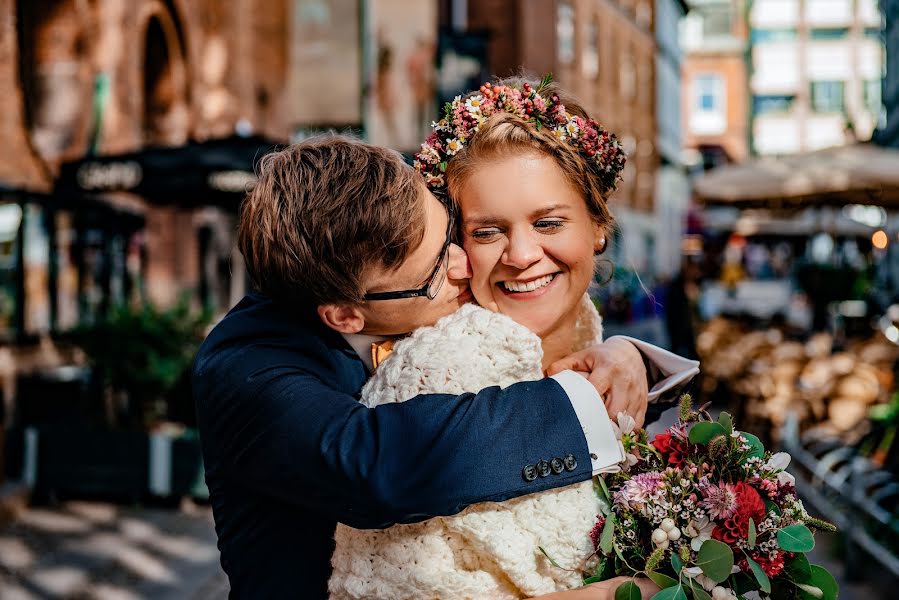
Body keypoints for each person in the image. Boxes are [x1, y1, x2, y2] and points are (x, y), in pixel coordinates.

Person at [193, 136, 697, 598]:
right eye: (437, 268)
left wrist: (629, 358)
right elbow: (378, 462)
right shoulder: (246, 371)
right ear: (345, 315)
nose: (462, 264)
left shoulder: (426, 304)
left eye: (450, 237)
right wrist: (587, 401)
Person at [328, 78, 690, 598]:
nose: (521, 255)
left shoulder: (589, 331)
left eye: (547, 222)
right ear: (457, 242)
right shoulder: (437, 372)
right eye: (488, 231)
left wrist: (628, 353)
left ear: (597, 226)